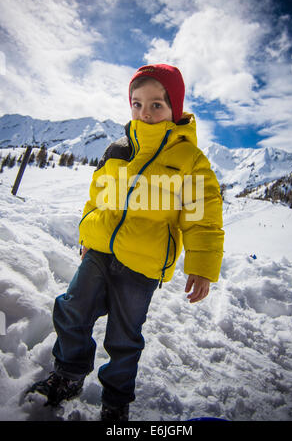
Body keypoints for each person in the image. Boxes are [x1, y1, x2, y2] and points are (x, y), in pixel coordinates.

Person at [28, 64, 224, 421]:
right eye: (137, 104)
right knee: (72, 309)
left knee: (125, 336)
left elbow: (202, 219)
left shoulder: (189, 161)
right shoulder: (118, 149)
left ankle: (116, 400)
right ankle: (68, 375)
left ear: (174, 109)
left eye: (156, 105)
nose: (144, 114)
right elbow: (97, 197)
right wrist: (87, 235)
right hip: (100, 251)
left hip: (142, 264)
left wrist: (202, 267)